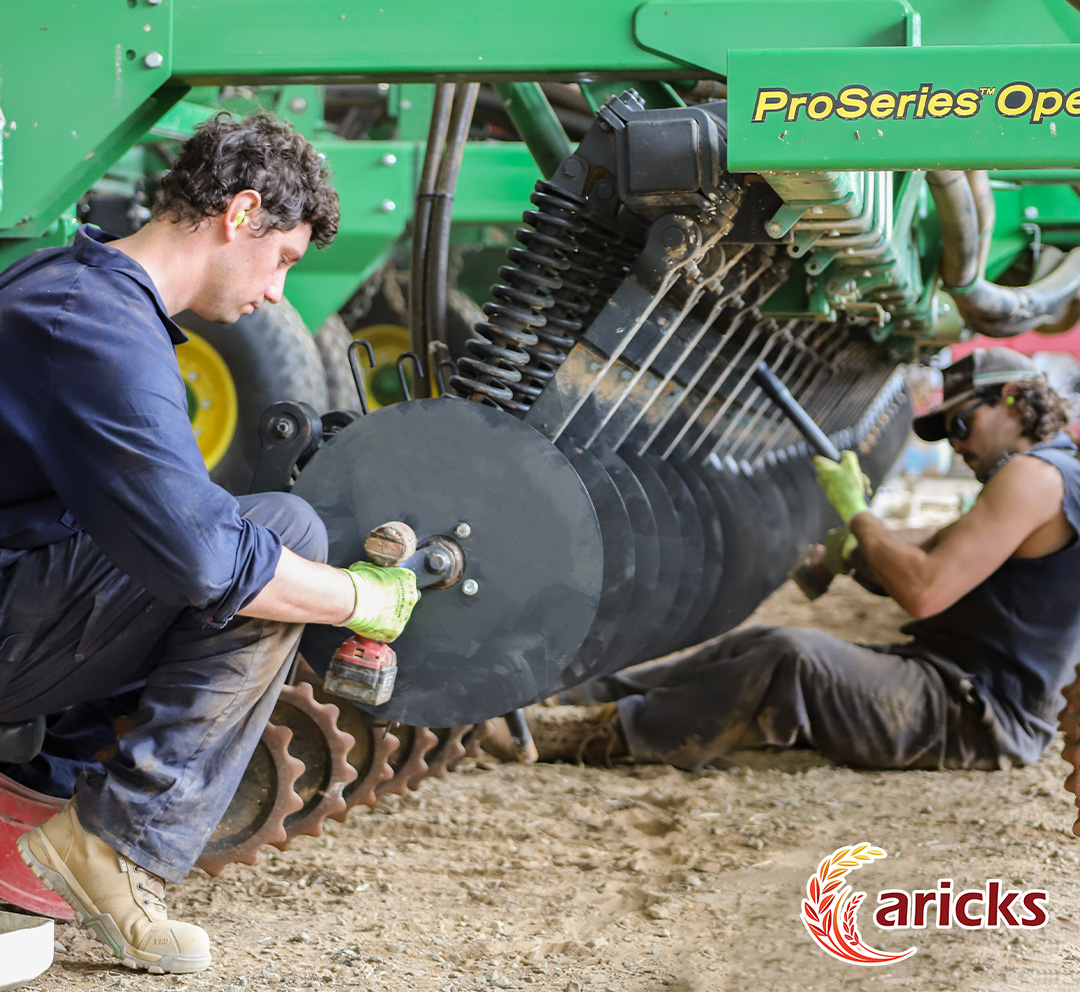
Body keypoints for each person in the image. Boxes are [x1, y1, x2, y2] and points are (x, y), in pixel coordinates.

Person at [0, 113, 419, 974]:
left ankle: (53, 793)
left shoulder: (81, 292)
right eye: (285, 259)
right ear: (241, 213)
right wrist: (360, 598)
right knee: (274, 539)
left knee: (251, 537)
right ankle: (114, 845)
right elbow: (199, 557)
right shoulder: (93, 326)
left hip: (18, 600)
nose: (277, 293)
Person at [502, 347, 1080, 778]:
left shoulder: (1030, 478)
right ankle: (570, 695)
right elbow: (930, 546)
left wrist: (858, 513)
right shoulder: (1053, 476)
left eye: (960, 425)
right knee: (756, 644)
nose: (957, 445)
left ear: (1011, 399)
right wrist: (857, 547)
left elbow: (924, 588)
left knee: (791, 658)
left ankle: (582, 735)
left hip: (978, 716)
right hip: (957, 690)